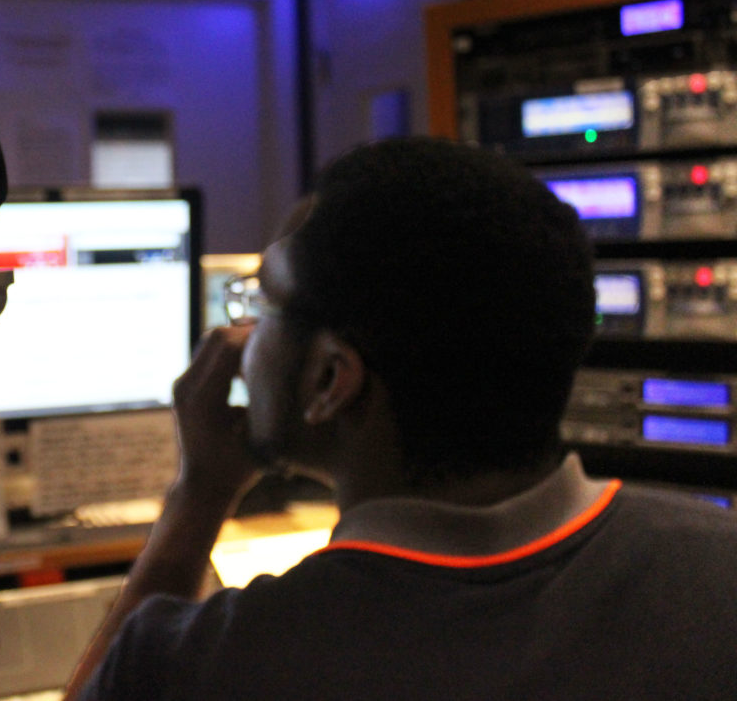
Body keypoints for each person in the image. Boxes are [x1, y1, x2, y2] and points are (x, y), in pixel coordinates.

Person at [63, 136, 737, 701]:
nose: (242, 336)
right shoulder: (718, 570)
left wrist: (197, 498)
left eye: (260, 303)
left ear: (330, 380)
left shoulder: (201, 664)